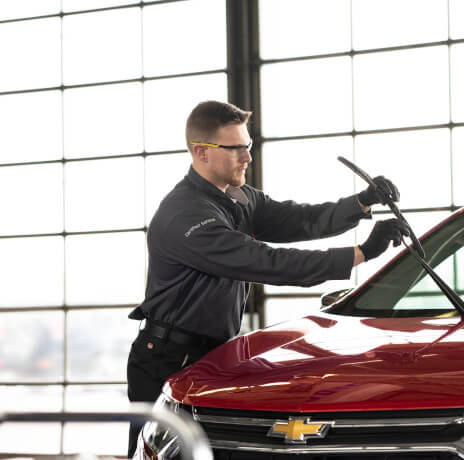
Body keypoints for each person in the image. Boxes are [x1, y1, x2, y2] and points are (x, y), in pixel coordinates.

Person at [126, 100, 407, 456]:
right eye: (237, 148)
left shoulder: (238, 198)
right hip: (167, 359)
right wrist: (361, 254)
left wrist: (361, 202)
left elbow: (299, 219)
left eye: (249, 146)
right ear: (202, 152)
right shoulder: (185, 216)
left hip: (213, 353)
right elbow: (268, 262)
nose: (248, 158)